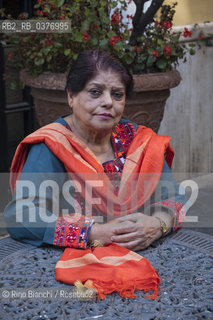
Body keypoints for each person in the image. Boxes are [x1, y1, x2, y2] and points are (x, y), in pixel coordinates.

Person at [4, 49, 186, 252]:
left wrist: (156, 225)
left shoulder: (138, 141)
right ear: (71, 96)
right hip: (70, 264)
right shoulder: (52, 146)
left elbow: (175, 198)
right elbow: (21, 215)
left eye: (117, 94)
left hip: (141, 256)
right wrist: (92, 232)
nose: (108, 102)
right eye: (95, 92)